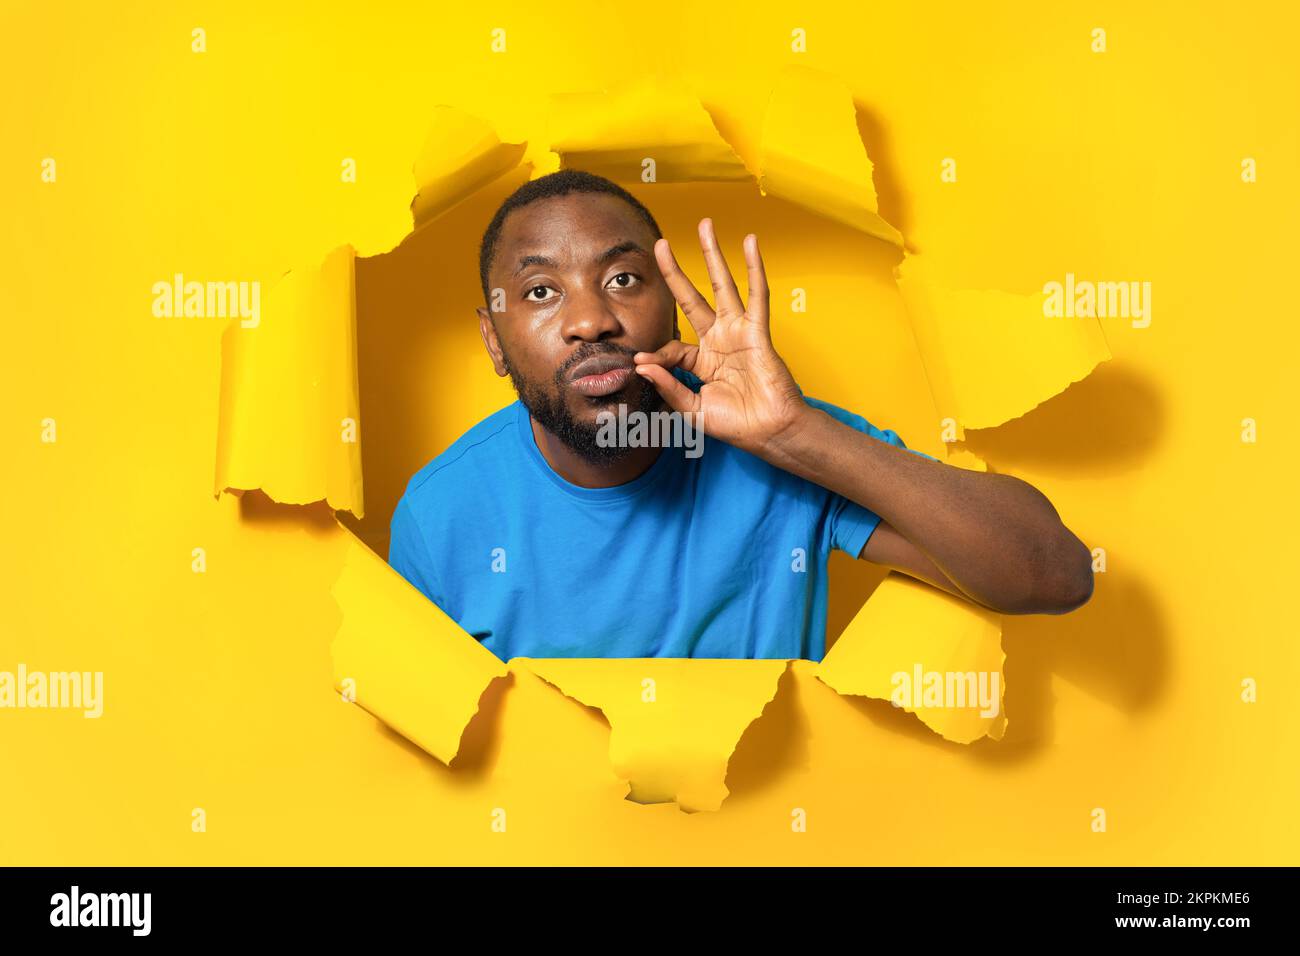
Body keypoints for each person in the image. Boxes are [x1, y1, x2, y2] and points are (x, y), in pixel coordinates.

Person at [388, 169, 1093, 661]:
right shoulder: (439, 512)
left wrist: (796, 434)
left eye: (623, 280)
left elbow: (1054, 576)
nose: (591, 320)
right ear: (495, 340)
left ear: (671, 303)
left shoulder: (781, 446)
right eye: (541, 291)